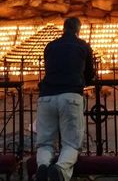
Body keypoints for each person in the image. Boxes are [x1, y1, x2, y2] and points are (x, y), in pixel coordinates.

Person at [35, 17, 95, 181]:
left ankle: (43, 166)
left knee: (45, 142)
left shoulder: (50, 46)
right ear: (78, 30)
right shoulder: (83, 45)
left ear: (63, 29)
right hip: (70, 95)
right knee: (71, 142)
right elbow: (90, 74)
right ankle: (60, 169)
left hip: (46, 96)